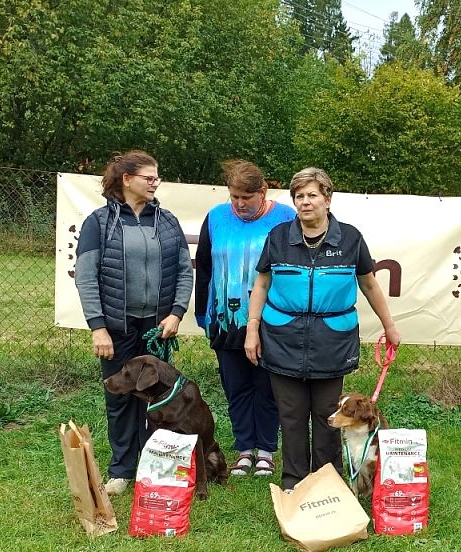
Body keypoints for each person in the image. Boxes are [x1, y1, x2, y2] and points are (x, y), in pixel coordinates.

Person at [244, 167, 401, 492]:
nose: (305, 202)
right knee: (291, 417)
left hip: (333, 343)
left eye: (312, 195)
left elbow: (369, 285)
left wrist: (389, 326)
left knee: (330, 419)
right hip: (282, 340)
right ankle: (294, 483)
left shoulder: (351, 239)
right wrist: (252, 328)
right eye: (299, 196)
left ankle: (327, 482)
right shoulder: (278, 238)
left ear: (327, 199)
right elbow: (262, 284)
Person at [75, 150, 193, 496]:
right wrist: (98, 326)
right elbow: (86, 277)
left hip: (157, 328)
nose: (155, 183)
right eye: (149, 177)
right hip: (116, 328)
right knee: (120, 398)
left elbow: (184, 271)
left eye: (157, 178)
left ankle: (153, 466)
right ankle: (121, 471)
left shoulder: (167, 222)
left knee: (157, 400)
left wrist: (176, 313)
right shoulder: (98, 223)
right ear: (127, 180)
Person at [194, 160, 295, 477]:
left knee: (266, 388)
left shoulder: (286, 218)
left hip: (271, 321)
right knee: (236, 388)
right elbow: (205, 268)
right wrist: (202, 313)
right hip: (225, 321)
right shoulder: (215, 218)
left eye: (246, 197)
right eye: (234, 196)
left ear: (262, 191)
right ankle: (244, 450)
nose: (239, 204)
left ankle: (266, 450)